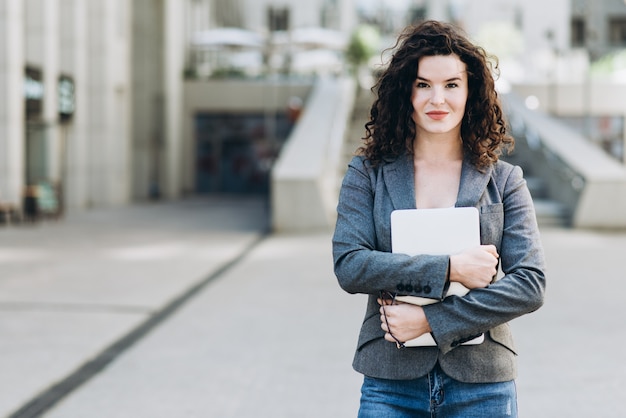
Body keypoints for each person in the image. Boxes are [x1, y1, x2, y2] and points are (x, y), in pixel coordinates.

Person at [332, 20, 546, 417]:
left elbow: (529, 284)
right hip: (391, 381)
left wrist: (431, 320)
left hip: (482, 384)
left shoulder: (504, 180)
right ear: (404, 92)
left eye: (451, 85)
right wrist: (449, 268)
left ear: (470, 93)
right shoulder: (368, 173)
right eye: (423, 84)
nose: (437, 99)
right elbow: (350, 265)